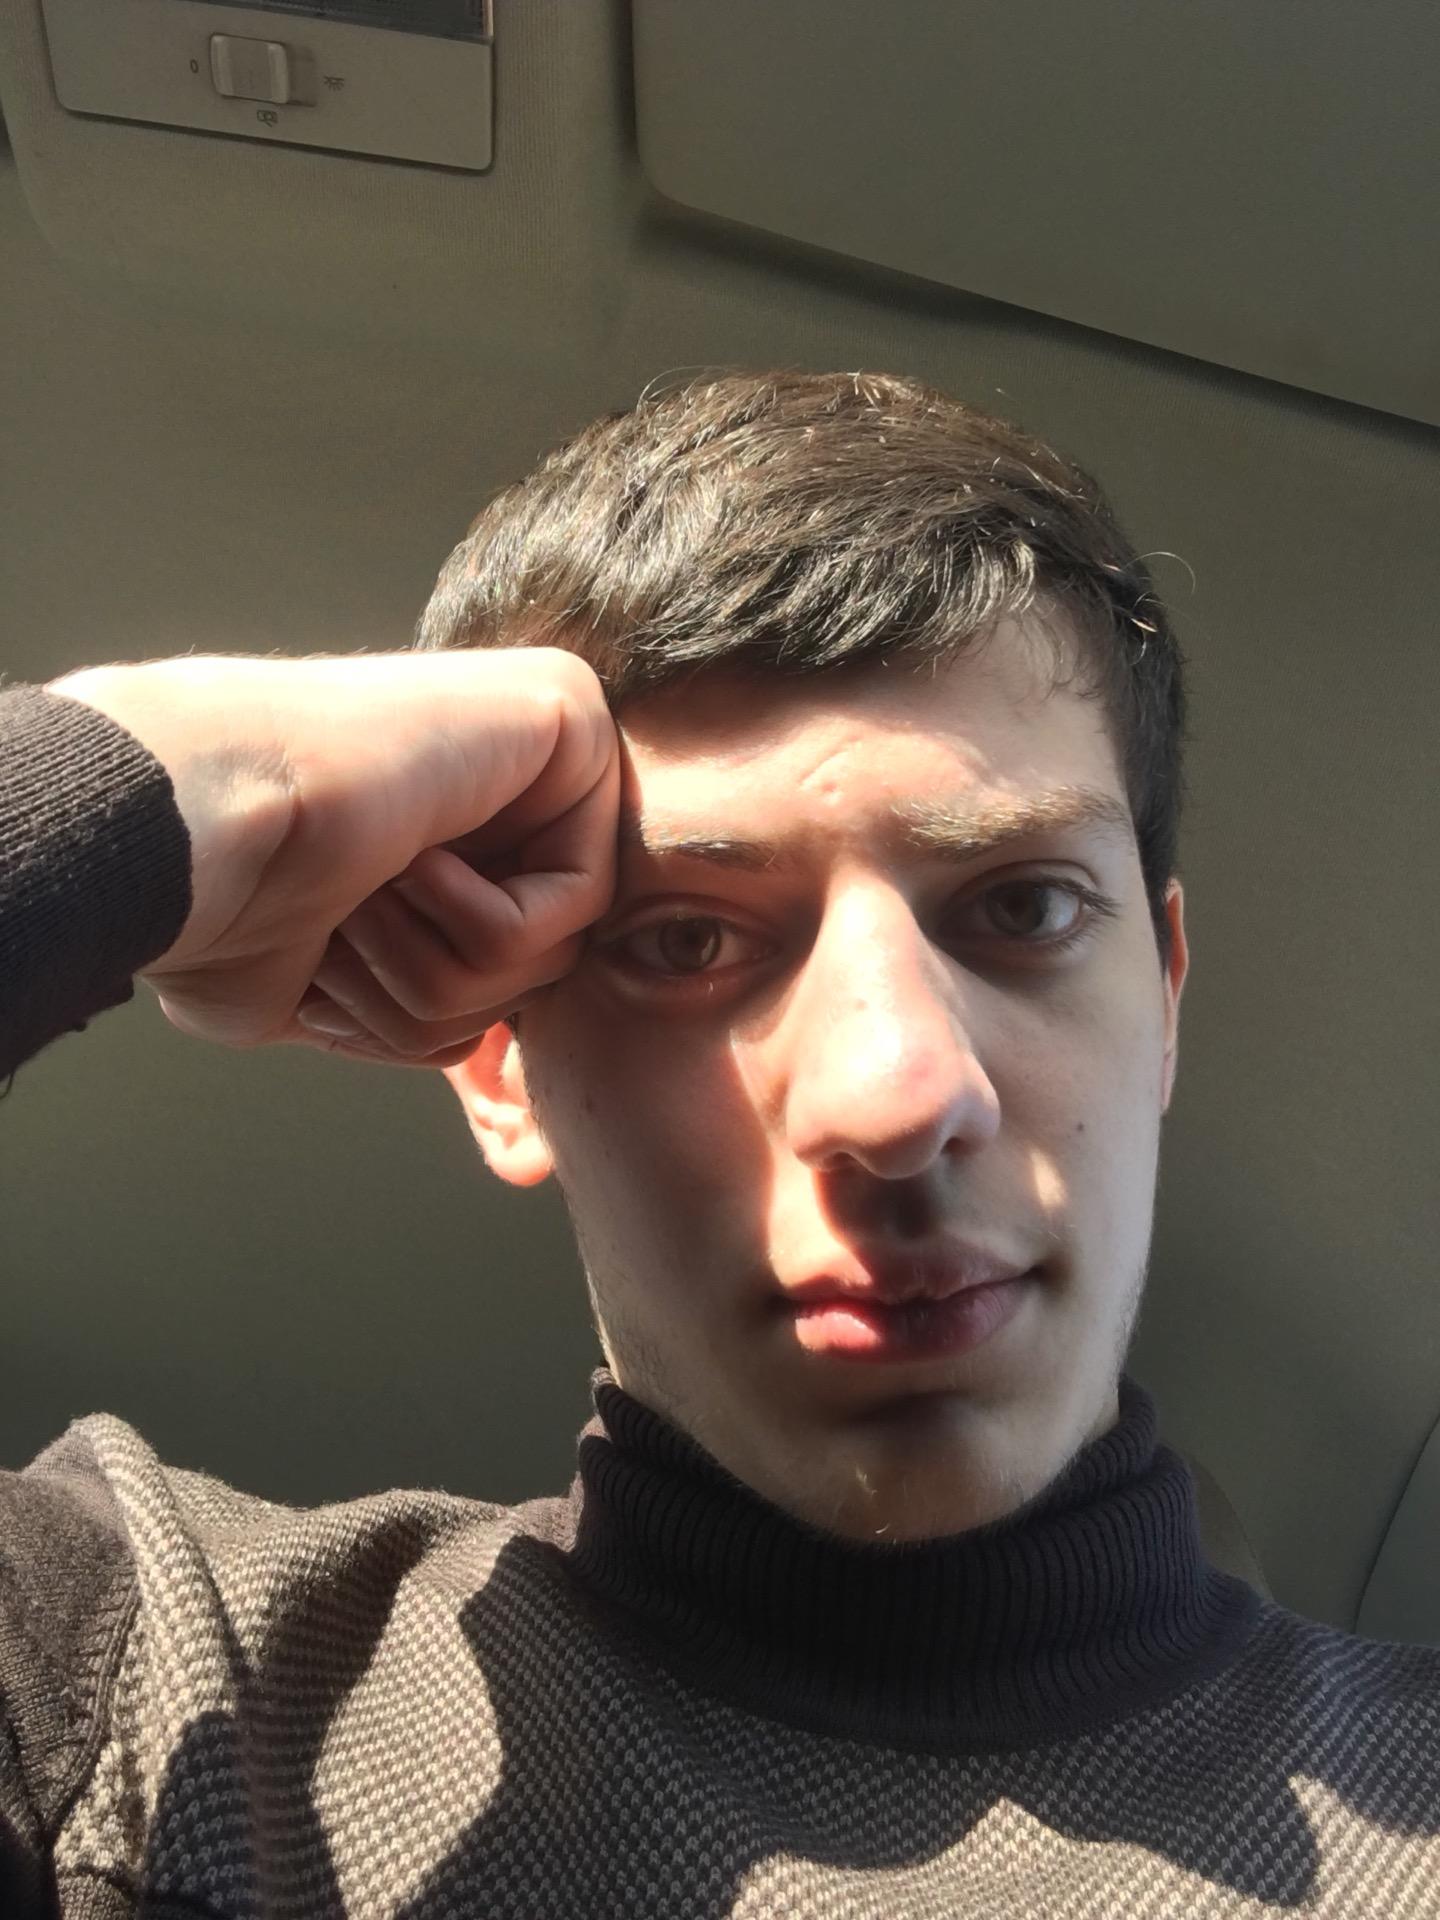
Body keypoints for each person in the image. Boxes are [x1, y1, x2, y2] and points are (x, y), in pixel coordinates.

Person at [0, 370, 1435, 1918]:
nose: (897, 1098)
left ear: (1162, 1003)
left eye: (1024, 906)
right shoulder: (147, 1681)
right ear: (497, 1062)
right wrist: (154, 780)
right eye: (684, 938)